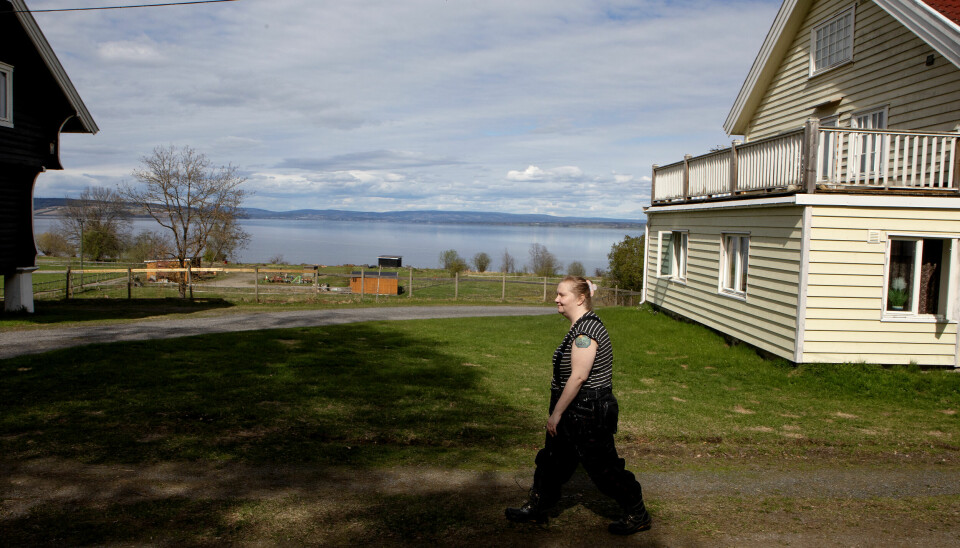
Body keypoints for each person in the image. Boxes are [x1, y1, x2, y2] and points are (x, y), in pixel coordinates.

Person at [505, 276, 651, 535]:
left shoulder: (586, 332)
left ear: (581, 298)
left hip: (587, 413)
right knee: (552, 461)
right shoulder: (579, 327)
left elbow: (579, 376)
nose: (556, 299)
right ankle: (537, 509)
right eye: (557, 294)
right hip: (575, 409)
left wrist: (556, 414)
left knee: (604, 469)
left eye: (562, 295)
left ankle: (637, 514)